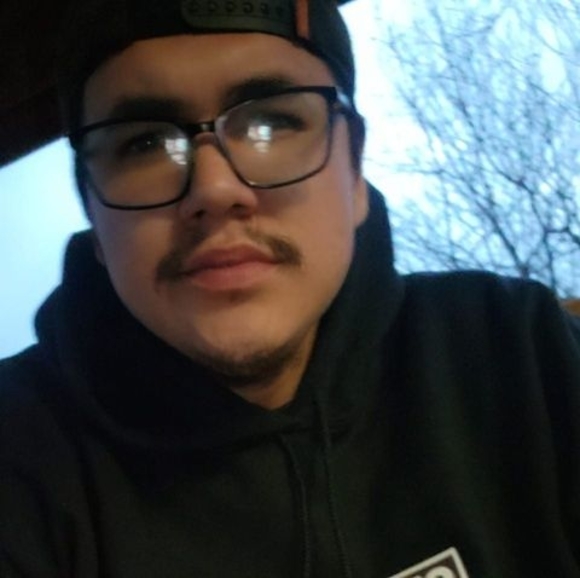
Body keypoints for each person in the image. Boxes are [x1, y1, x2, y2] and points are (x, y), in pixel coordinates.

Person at [1, 0, 579, 576]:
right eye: (144, 143)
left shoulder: (518, 352)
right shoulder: (19, 458)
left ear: (354, 170)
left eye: (271, 123)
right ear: (93, 212)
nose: (215, 189)